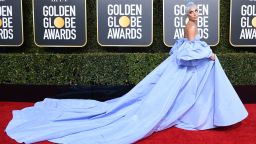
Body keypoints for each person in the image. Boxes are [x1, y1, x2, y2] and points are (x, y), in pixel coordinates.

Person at [5, 2, 248, 144]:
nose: (195, 14)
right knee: (172, 98)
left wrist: (203, 52)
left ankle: (196, 115)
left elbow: (183, 47)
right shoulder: (191, 26)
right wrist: (208, 55)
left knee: (182, 95)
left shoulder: (191, 26)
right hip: (186, 67)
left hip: (185, 69)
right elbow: (186, 52)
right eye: (192, 11)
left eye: (196, 11)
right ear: (188, 14)